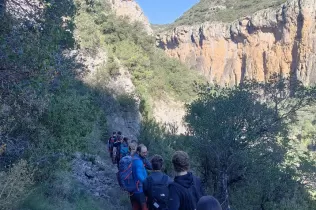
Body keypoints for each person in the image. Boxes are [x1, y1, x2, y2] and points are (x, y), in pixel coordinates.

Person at [130, 144, 152, 210]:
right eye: (143, 152)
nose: (145, 154)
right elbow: (139, 175)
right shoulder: (138, 162)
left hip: (133, 191)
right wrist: (147, 184)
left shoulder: (134, 158)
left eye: (146, 152)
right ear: (138, 152)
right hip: (140, 191)